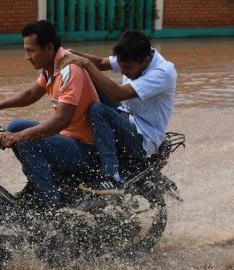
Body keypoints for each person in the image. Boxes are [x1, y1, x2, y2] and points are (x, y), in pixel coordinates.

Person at [0, 20, 99, 206]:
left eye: (31, 51)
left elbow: (61, 120)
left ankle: (53, 203)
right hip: (69, 140)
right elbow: (30, 94)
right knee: (15, 126)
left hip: (86, 149)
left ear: (49, 48)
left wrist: (17, 137)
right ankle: (41, 184)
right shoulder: (50, 68)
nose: (27, 57)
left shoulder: (70, 69)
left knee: (25, 138)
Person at [61, 30, 177, 189]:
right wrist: (72, 54)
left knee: (97, 110)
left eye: (128, 68)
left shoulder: (163, 72)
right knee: (89, 82)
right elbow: (101, 64)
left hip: (144, 138)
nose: (123, 72)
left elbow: (118, 94)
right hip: (127, 118)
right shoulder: (131, 55)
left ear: (146, 61)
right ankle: (83, 138)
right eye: (121, 67)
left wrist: (85, 63)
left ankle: (112, 175)